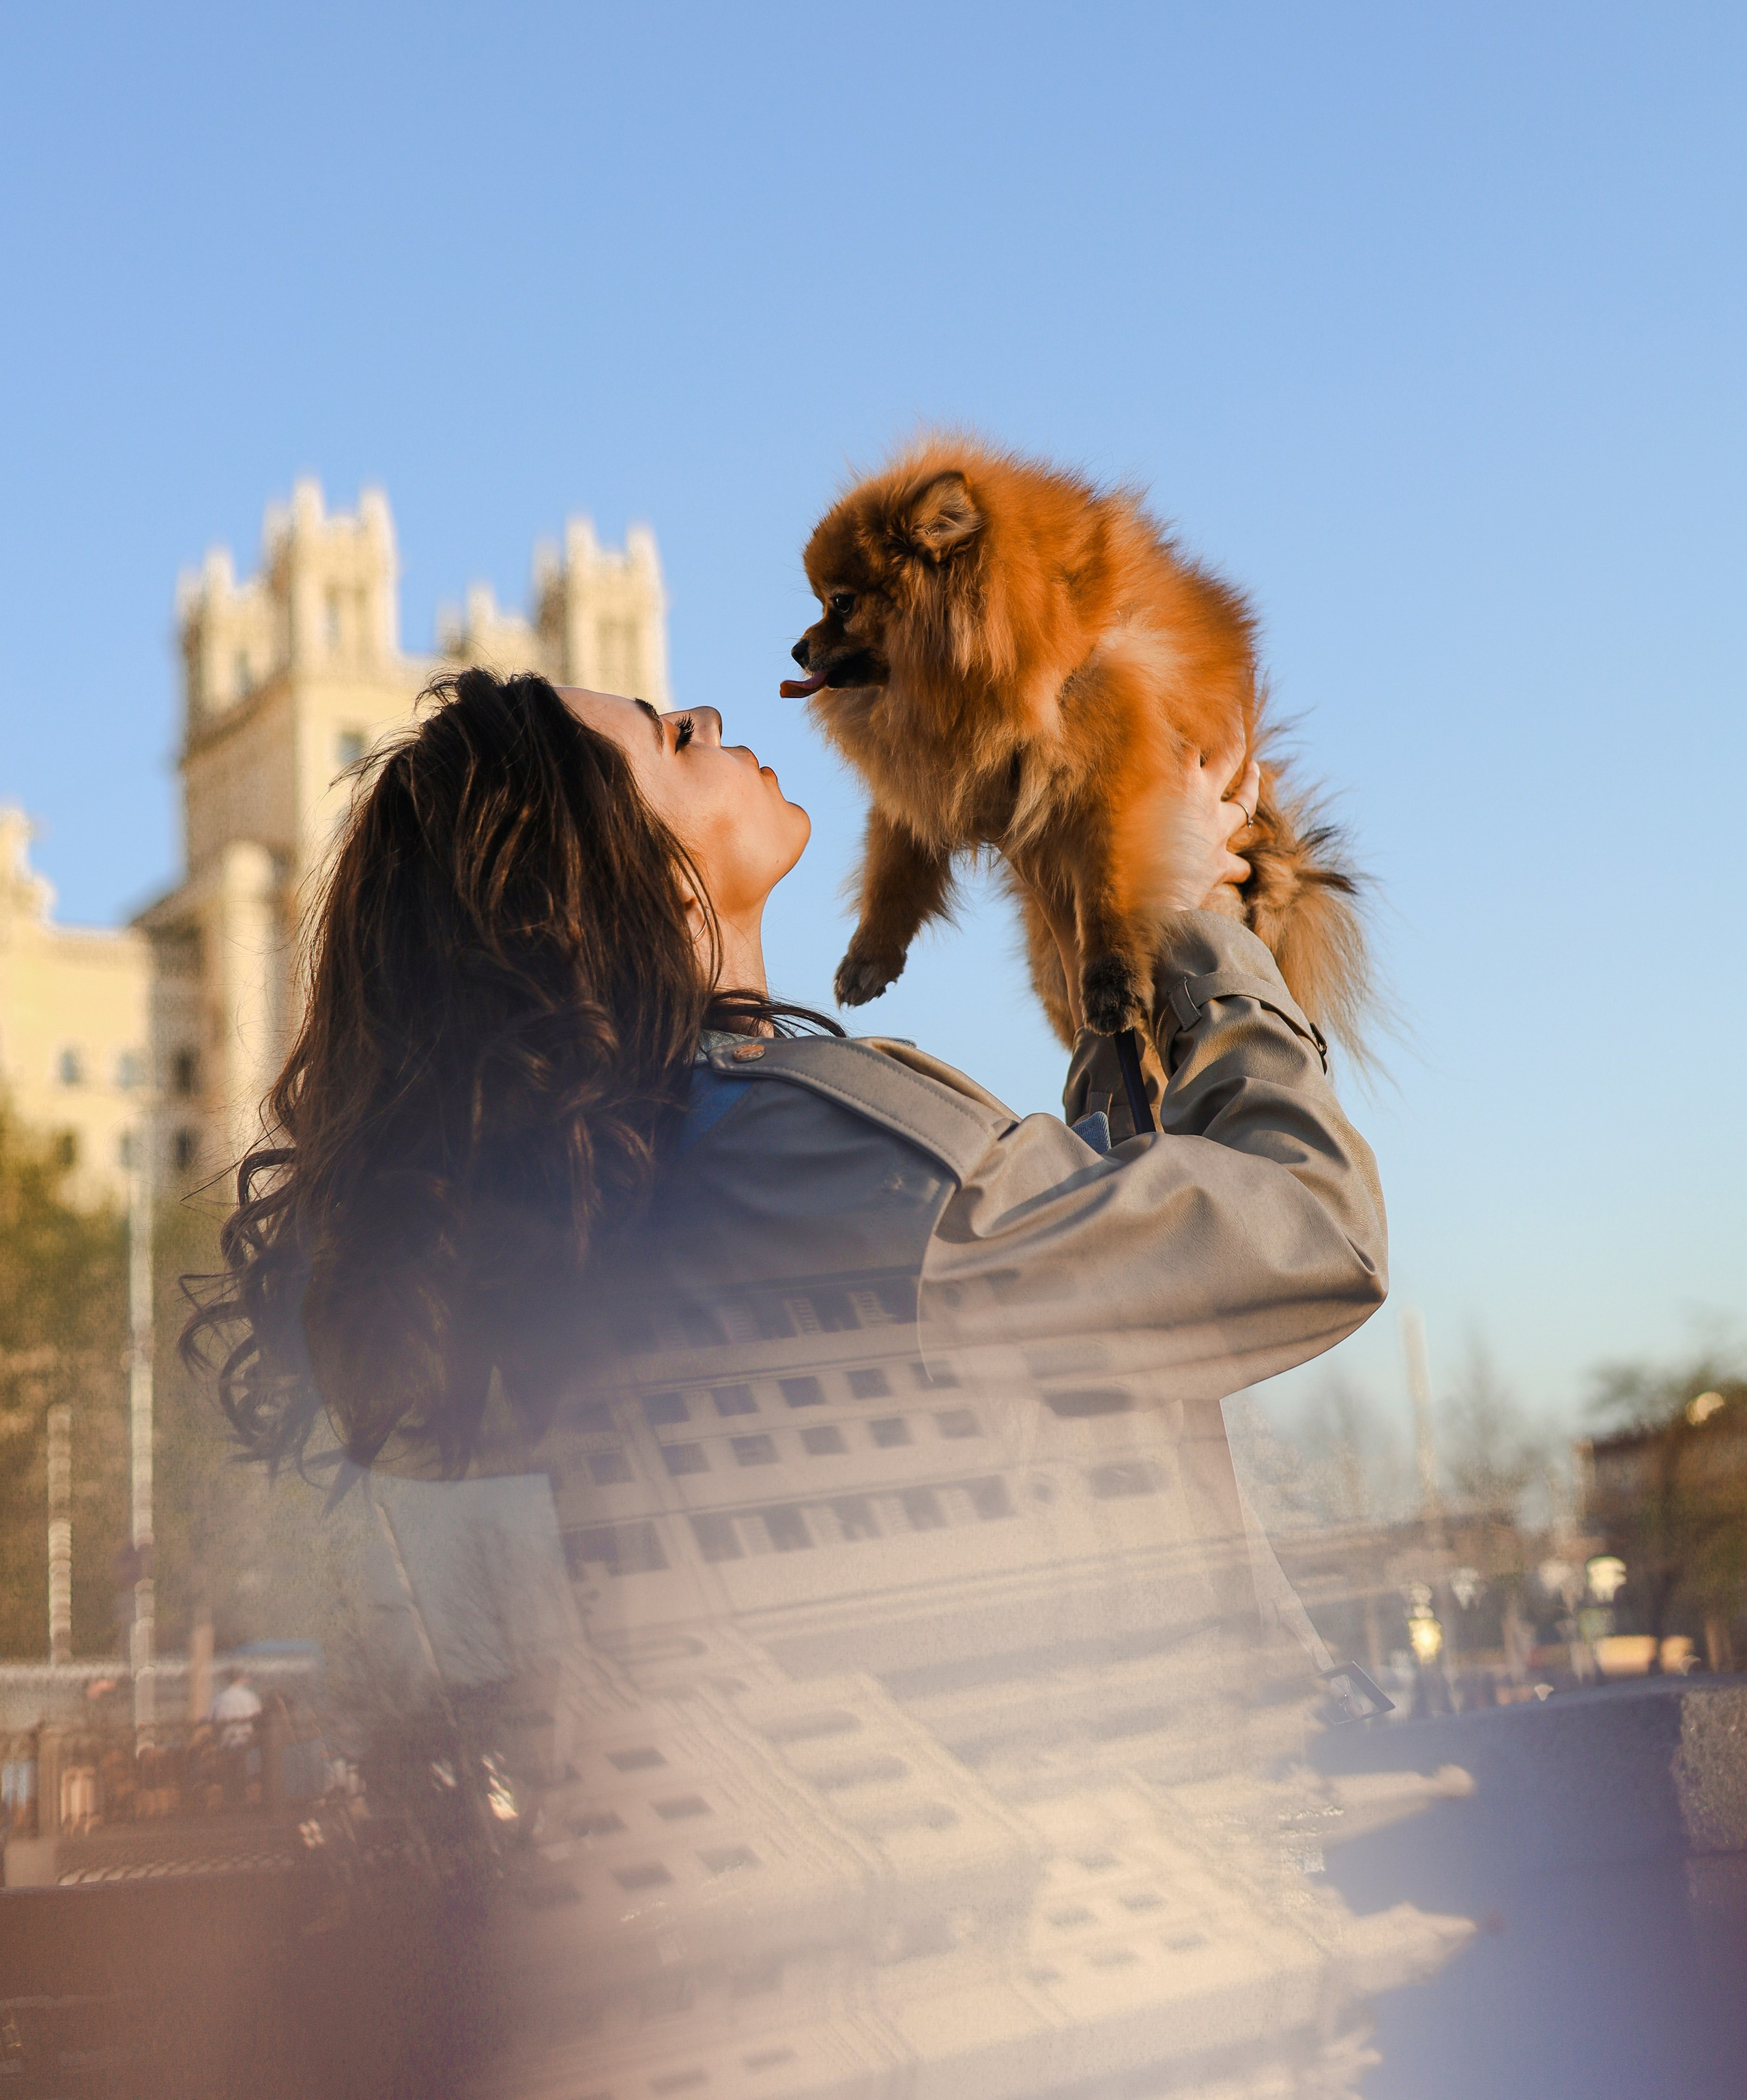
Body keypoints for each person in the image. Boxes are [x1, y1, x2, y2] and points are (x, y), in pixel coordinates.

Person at [187, 667, 1391, 2096]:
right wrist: (1191, 923)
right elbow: (1299, 1234)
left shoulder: (637, 1180)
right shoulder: (797, 1138)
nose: (704, 718)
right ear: (588, 877)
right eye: (658, 739)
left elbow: (1057, 1301)